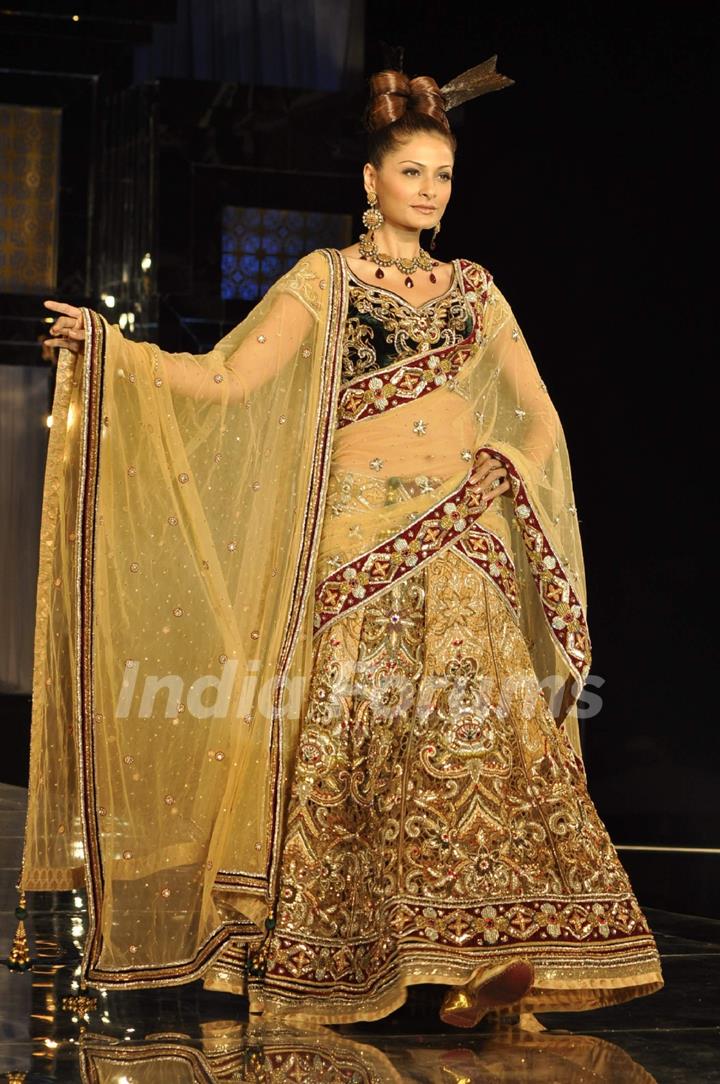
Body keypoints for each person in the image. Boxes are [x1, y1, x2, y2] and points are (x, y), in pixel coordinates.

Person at [19, 58, 663, 1028]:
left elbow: (539, 417)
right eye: (412, 172)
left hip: (459, 534)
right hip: (357, 544)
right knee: (363, 743)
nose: (430, 192)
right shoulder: (324, 281)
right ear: (371, 182)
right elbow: (226, 380)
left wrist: (502, 463)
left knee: (485, 738)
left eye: (442, 176)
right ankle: (343, 953)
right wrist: (111, 352)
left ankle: (486, 964)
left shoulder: (476, 290)